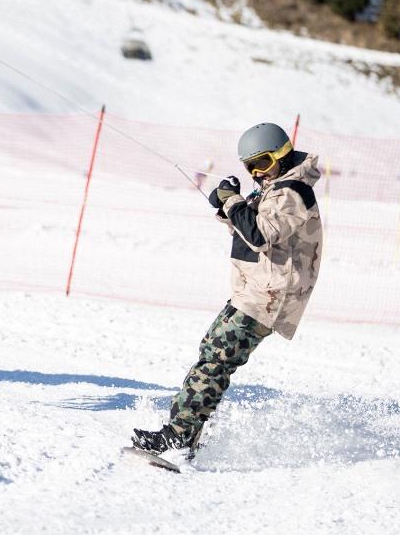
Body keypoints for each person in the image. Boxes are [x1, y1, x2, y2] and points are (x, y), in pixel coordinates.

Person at [132, 122, 323, 456]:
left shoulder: (293, 191)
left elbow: (260, 234)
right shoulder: (275, 187)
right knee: (210, 352)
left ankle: (178, 437)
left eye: (262, 163)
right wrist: (226, 205)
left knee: (215, 362)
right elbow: (247, 223)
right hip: (254, 289)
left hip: (269, 296)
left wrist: (233, 202)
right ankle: (185, 435)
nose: (257, 172)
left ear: (282, 155)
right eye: (250, 167)